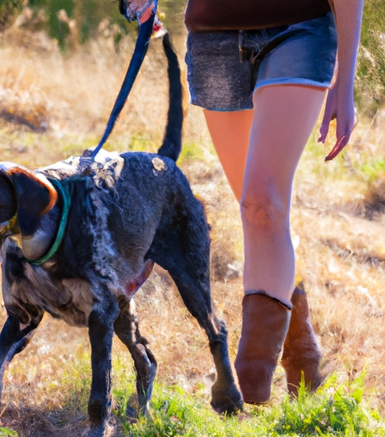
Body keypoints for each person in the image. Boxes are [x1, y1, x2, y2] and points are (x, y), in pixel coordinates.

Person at [122, 0, 364, 404]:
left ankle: (246, 391)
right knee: (257, 214)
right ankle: (302, 348)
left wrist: (346, 78)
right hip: (214, 37)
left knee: (263, 202)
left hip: (298, 29)